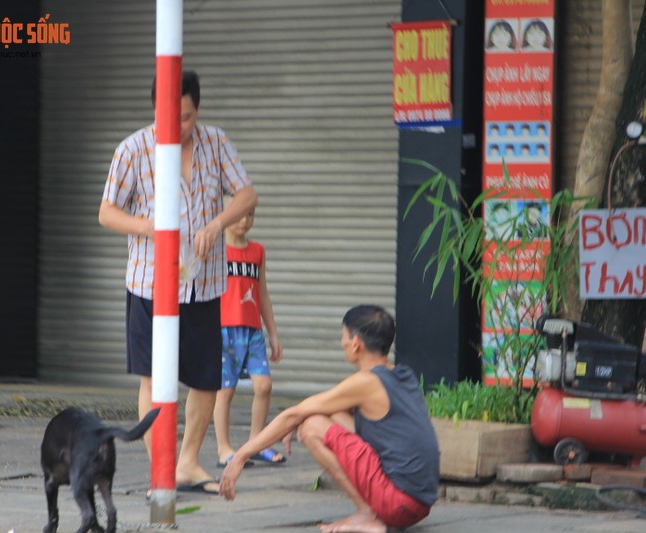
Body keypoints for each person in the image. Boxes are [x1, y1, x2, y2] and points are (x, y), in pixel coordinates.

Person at [99, 70, 258, 495]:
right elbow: (107, 212)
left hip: (203, 283)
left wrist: (218, 223)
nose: (178, 125)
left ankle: (187, 462)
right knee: (152, 377)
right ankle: (161, 468)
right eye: (170, 116)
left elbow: (246, 194)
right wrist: (148, 226)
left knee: (207, 377)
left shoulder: (216, 142)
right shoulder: (133, 149)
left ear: (197, 111)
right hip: (150, 283)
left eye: (186, 117)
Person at [220, 305, 440, 533]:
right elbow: (320, 409)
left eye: (343, 336)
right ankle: (373, 512)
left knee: (312, 426)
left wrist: (241, 456)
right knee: (325, 413)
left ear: (356, 344)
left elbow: (294, 414)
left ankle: (367, 515)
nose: (341, 342)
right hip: (419, 505)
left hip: (396, 502)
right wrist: (300, 417)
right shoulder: (402, 374)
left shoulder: (366, 383)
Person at [213, 201, 284, 468]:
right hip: (222, 329)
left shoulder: (257, 251)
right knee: (225, 390)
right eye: (240, 215)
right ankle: (223, 448)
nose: (244, 221)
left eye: (250, 215)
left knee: (264, 385)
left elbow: (262, 293)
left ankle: (256, 443)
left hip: (252, 330)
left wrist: (273, 333)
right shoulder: (215, 249)